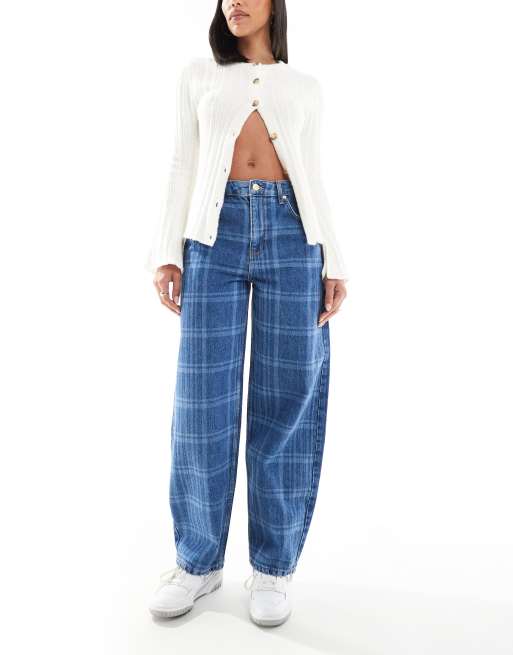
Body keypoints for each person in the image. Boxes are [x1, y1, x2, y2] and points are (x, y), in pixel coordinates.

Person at [145, 0, 349, 627]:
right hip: (213, 236)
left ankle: (273, 568)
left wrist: (335, 260)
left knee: (286, 396)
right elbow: (182, 162)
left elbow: (312, 173)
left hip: (293, 235)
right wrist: (167, 251)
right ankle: (198, 562)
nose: (234, 0)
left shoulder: (304, 87)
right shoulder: (198, 76)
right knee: (202, 400)